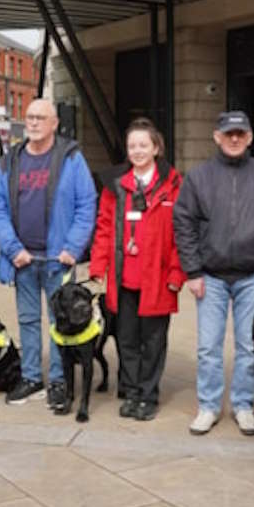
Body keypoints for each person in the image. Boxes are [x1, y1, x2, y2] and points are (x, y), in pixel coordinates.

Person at [174, 111, 254, 437]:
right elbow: (183, 224)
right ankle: (209, 406)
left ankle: (243, 405)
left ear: (250, 137)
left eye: (241, 133)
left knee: (248, 345)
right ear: (217, 136)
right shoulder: (198, 177)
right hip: (209, 275)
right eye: (229, 134)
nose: (235, 139)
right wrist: (193, 270)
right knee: (208, 347)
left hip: (253, 273)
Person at [0, 97, 97, 409]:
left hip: (57, 261)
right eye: (30, 117)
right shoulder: (10, 159)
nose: (33, 123)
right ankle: (32, 377)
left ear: (54, 124)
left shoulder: (71, 158)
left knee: (61, 322)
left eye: (40, 117)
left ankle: (60, 381)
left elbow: (86, 205)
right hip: (23, 259)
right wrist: (12, 249)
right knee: (28, 320)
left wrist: (73, 248)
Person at [89, 118, 184, 422]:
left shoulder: (174, 185)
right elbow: (104, 228)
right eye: (132, 146)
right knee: (126, 338)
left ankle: (148, 395)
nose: (138, 151)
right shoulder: (115, 186)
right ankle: (130, 391)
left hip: (157, 278)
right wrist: (98, 265)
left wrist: (176, 274)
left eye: (144, 145)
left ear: (156, 148)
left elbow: (183, 234)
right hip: (123, 277)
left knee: (153, 341)